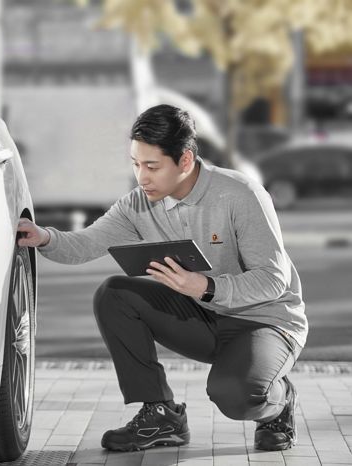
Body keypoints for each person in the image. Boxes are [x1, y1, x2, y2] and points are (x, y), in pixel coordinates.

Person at [17, 104, 307, 452]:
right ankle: (160, 414)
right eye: (136, 164)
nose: (142, 177)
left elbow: (273, 279)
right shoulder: (138, 204)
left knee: (235, 396)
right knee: (115, 294)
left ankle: (279, 401)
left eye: (152, 166)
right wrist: (44, 237)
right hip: (203, 315)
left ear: (185, 161)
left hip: (264, 321)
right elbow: (85, 244)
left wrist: (207, 287)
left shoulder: (239, 195)